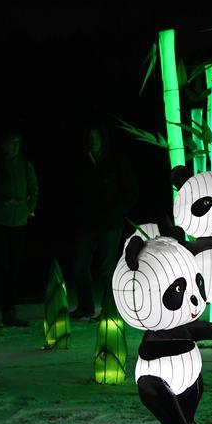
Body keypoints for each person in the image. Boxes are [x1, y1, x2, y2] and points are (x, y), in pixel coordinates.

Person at [70, 125, 138, 319]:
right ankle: (85, 306)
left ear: (102, 139)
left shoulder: (116, 161)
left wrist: (114, 212)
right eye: (89, 137)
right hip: (87, 224)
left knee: (107, 268)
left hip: (109, 224)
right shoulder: (81, 162)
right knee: (80, 266)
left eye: (95, 137)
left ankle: (110, 308)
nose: (92, 141)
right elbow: (73, 191)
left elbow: (131, 192)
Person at [0, 127, 38, 329]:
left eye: (18, 143)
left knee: (14, 267)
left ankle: (10, 312)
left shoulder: (24, 164)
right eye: (12, 142)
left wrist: (29, 208)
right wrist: (1, 202)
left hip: (19, 222)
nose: (16, 146)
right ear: (3, 144)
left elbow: (34, 187)